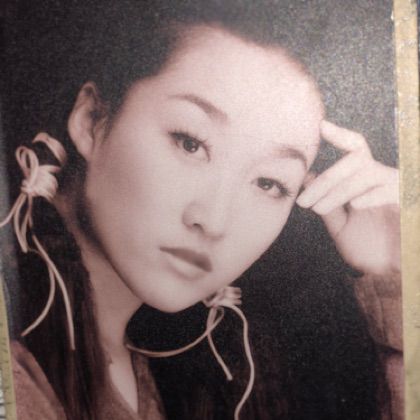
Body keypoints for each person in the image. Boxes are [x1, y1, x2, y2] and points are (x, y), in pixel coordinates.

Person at [0, 1, 402, 419]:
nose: (214, 221)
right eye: (190, 143)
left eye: (269, 183)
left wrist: (393, 263)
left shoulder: (172, 374)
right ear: (92, 120)